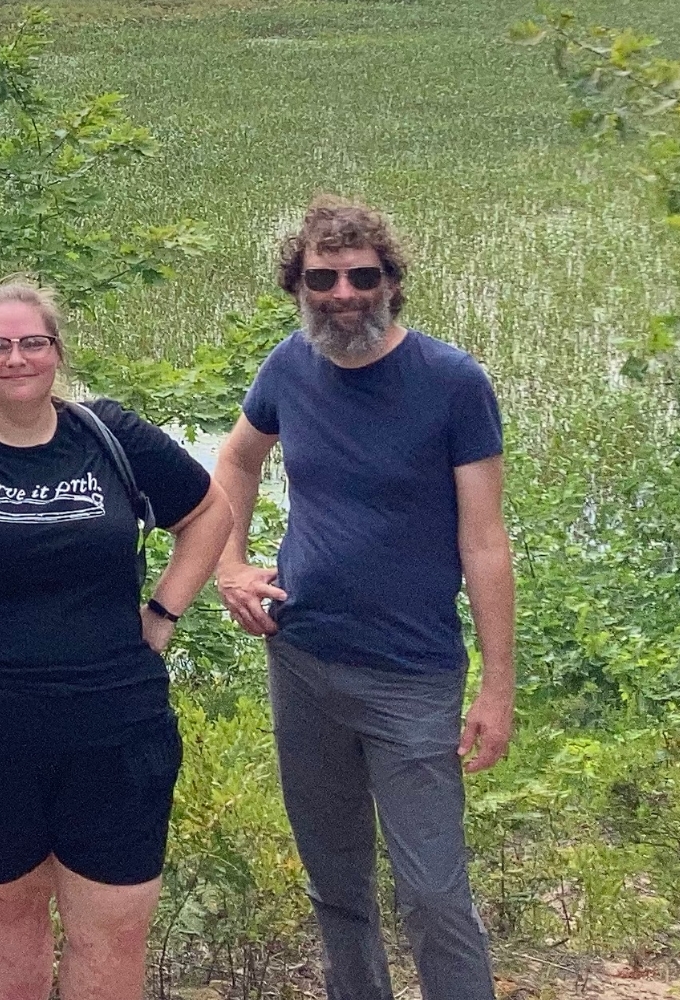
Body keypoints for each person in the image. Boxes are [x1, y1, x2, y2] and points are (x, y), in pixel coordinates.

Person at [0, 279, 229, 1000]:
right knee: (7, 908)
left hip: (115, 730)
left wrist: (161, 614)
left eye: (32, 342)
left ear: (57, 352)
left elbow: (209, 512)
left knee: (116, 923)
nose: (15, 358)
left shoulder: (110, 436)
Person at [210, 195, 516, 1000]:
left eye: (361, 276)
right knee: (335, 884)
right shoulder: (287, 368)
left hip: (411, 674)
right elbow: (235, 463)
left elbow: (484, 542)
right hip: (303, 659)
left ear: (390, 281)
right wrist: (230, 565)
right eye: (322, 279)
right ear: (298, 286)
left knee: (434, 893)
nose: (343, 294)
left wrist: (496, 684)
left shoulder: (452, 382)